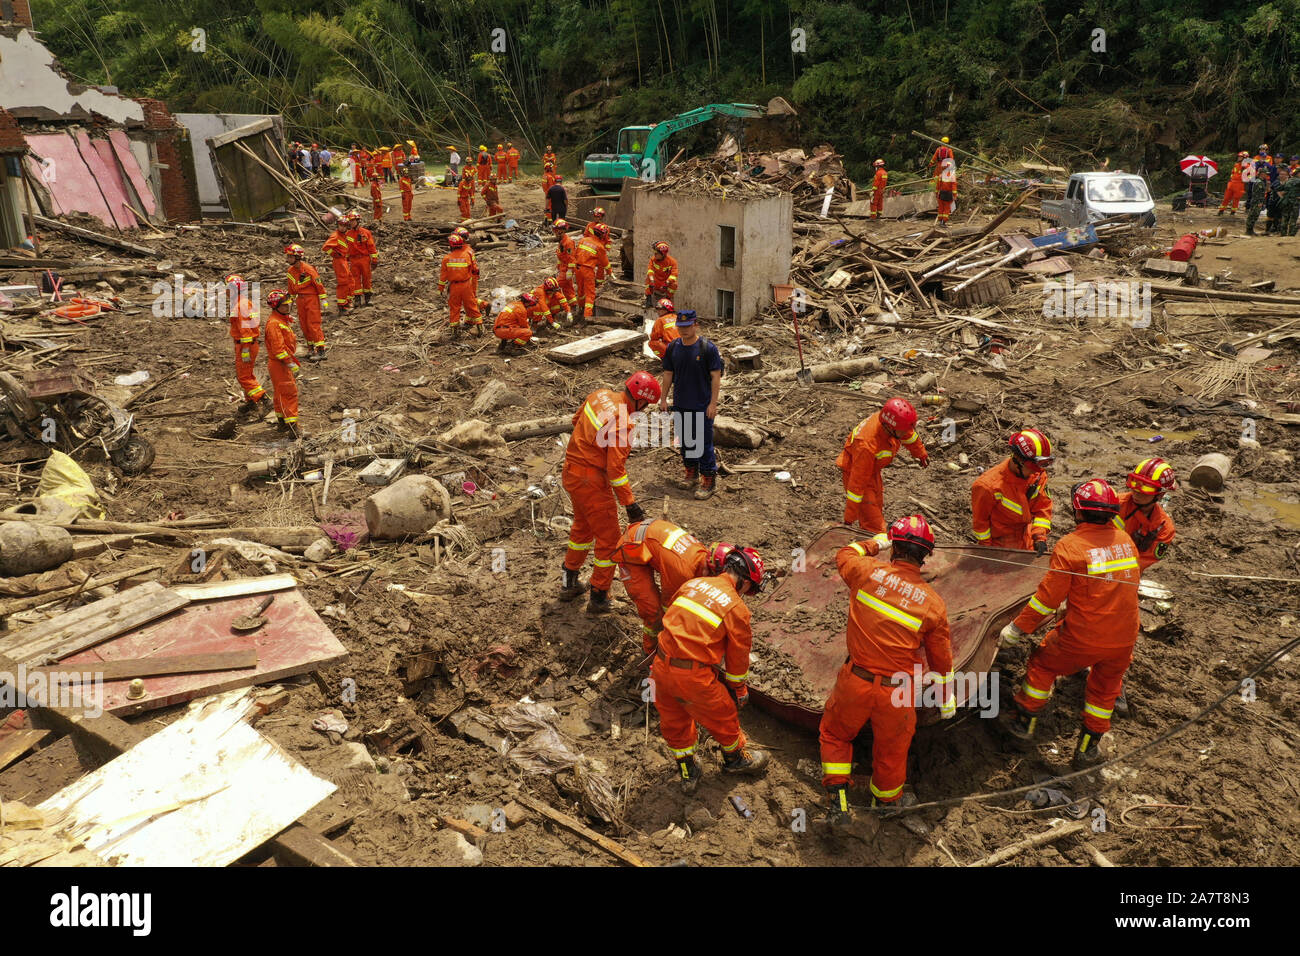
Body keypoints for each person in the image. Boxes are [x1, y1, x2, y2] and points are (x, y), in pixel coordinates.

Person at [998, 479, 1141, 769]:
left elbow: (1046, 600)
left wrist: (1017, 629)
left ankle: (1023, 723)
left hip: (1083, 637)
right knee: (1104, 689)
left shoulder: (1070, 546)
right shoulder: (1126, 542)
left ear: (1078, 511)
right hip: (1124, 639)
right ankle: (1088, 749)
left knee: (1043, 664)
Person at [819, 515, 953, 824]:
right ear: (926, 556)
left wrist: (873, 544)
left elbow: (844, 554)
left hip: (856, 680)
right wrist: (946, 697)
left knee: (836, 735)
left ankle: (838, 800)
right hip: (898, 693)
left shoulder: (867, 572)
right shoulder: (933, 605)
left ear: (894, 546)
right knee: (893, 749)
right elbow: (941, 661)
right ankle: (887, 801)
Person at [650, 545, 770, 793]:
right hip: (692, 676)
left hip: (660, 667)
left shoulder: (692, 584)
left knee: (673, 722)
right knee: (723, 714)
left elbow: (675, 616)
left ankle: (687, 771)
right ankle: (735, 760)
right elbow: (737, 661)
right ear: (745, 581)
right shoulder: (737, 609)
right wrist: (738, 689)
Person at [559, 372, 661, 613]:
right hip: (590, 481)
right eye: (645, 407)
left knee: (582, 528)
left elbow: (576, 421)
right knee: (609, 539)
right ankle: (599, 595)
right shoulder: (623, 421)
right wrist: (631, 505)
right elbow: (615, 470)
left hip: (571, 473)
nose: (644, 411)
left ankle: (568, 582)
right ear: (641, 401)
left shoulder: (600, 394)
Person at [616, 520, 728, 653]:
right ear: (710, 568)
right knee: (653, 612)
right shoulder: (683, 571)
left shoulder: (704, 556)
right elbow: (670, 608)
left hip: (651, 537)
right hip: (632, 546)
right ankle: (650, 650)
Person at [837, 398, 929, 534]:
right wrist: (849, 518)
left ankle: (867, 534)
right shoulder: (867, 445)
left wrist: (920, 453)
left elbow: (909, 435)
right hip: (857, 472)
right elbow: (856, 486)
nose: (906, 432)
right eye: (903, 430)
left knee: (876, 507)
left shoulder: (895, 425)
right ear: (890, 427)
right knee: (875, 526)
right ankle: (872, 542)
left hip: (873, 471)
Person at [658, 310, 723, 500]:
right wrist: (663, 399)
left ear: (696, 325)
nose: (684, 330)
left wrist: (713, 403)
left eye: (688, 327)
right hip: (681, 404)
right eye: (681, 327)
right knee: (685, 442)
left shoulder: (707, 348)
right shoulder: (673, 348)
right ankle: (691, 473)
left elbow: (715, 377)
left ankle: (709, 480)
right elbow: (668, 374)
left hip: (702, 405)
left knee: (703, 444)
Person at [970, 429, 1054, 552]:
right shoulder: (987, 486)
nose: (1036, 471)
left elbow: (1042, 508)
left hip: (1027, 539)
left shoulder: (1037, 475)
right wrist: (988, 552)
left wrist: (1039, 537)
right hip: (999, 545)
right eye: (1033, 467)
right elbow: (981, 525)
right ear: (1018, 460)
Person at [1117, 458, 1176, 572]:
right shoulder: (1114, 504)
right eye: (1135, 483)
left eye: (1146, 488)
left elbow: (1143, 561)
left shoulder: (1164, 528)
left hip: (1127, 571)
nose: (1136, 492)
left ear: (1160, 495)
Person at [263, 290, 303, 438]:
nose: (288, 307)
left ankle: (282, 422)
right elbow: (278, 349)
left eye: (288, 305)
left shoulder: (279, 320)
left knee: (280, 393)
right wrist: (289, 363)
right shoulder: (274, 324)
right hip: (280, 364)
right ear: (276, 306)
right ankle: (293, 429)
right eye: (284, 306)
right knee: (289, 393)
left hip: (278, 364)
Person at [226, 274, 266, 415]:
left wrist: (245, 350)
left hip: (246, 345)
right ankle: (251, 402)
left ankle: (263, 399)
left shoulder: (239, 305)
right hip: (249, 344)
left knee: (243, 377)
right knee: (247, 374)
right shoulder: (245, 302)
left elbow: (245, 330)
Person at [284, 243, 327, 361]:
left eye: (290, 256)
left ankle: (321, 351)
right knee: (304, 325)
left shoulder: (308, 269)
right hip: (300, 300)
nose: (287, 259)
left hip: (311, 299)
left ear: (297, 257)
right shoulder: (290, 271)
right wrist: (289, 305)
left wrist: (323, 299)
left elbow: (318, 284)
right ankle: (311, 348)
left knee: (314, 324)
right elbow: (291, 289)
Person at [438, 233, 482, 335]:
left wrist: (440, 288)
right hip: (467, 285)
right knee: (472, 305)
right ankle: (480, 327)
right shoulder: (467, 255)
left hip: (454, 287)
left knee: (454, 308)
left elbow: (443, 276)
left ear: (451, 245)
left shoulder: (446, 258)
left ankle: (454, 332)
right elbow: (474, 269)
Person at [573, 221, 610, 322]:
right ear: (603, 235)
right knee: (590, 294)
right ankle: (587, 316)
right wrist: (610, 273)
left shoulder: (583, 240)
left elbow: (575, 255)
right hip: (587, 270)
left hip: (577, 269)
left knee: (580, 291)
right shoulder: (599, 246)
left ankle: (580, 309)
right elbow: (605, 262)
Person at [321, 219, 354, 314]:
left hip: (344, 260)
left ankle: (347, 301)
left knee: (350, 280)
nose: (342, 227)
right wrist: (334, 254)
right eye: (341, 225)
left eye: (344, 226)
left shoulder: (344, 235)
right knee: (343, 282)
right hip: (339, 261)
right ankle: (342, 306)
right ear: (337, 225)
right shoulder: (335, 236)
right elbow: (325, 247)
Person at [345, 212, 377, 307]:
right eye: (350, 221)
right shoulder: (348, 234)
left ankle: (368, 299)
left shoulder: (366, 233)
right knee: (355, 280)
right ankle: (357, 300)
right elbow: (347, 248)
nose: (351, 223)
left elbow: (371, 246)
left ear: (358, 221)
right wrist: (346, 260)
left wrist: (374, 259)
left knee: (367, 278)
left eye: (353, 221)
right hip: (353, 260)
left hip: (364, 259)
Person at [644, 241, 678, 306]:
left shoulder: (672, 262)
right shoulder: (653, 259)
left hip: (665, 283)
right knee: (648, 278)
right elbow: (650, 270)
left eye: (656, 253)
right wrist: (651, 279)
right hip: (655, 282)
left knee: (674, 284)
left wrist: (667, 283)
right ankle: (648, 299)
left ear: (663, 254)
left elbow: (674, 275)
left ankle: (668, 299)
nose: (654, 254)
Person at [553, 219, 577, 305]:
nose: (555, 232)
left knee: (553, 287)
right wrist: (558, 268)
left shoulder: (568, 242)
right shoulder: (562, 242)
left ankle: (554, 307)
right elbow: (561, 257)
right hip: (563, 269)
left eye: (556, 230)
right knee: (568, 290)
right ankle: (573, 305)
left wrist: (570, 270)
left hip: (566, 270)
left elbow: (571, 258)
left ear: (561, 230)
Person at [935, 157, 958, 227]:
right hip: (948, 194)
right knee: (947, 208)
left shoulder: (941, 175)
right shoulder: (952, 175)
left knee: (941, 208)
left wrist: (937, 194)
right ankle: (943, 222)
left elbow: (937, 186)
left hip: (941, 194)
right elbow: (954, 187)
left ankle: (940, 221)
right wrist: (955, 195)